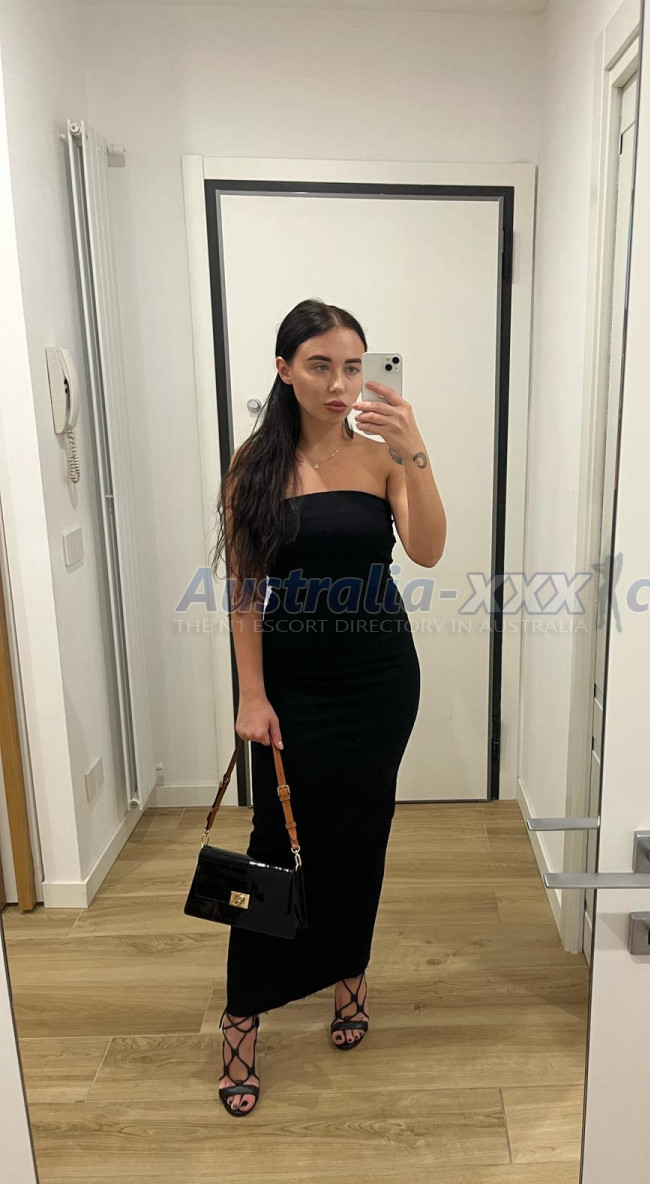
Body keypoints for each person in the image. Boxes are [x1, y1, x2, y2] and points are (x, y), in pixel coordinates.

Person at [209, 299, 446, 1115]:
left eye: (352, 366)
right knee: (271, 847)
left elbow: (428, 550)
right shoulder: (254, 466)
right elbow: (244, 590)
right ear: (284, 370)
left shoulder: (382, 458)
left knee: (360, 835)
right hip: (293, 685)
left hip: (380, 679)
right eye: (320, 365)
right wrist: (251, 694)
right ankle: (241, 1016)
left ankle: (349, 976)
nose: (340, 383)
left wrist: (414, 448)